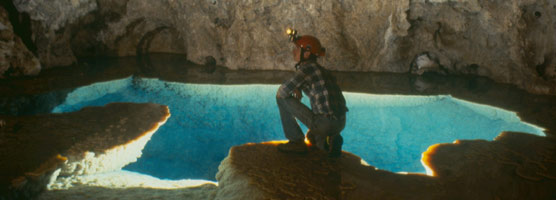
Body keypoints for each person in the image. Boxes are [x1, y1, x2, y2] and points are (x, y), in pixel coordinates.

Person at [276, 30, 348, 158]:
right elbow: (318, 90)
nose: (294, 52)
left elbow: (282, 92)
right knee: (312, 137)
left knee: (281, 99)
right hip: (340, 123)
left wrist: (293, 88)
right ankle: (331, 140)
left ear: (307, 53)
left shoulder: (306, 69)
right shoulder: (323, 71)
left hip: (324, 123)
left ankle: (296, 141)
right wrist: (298, 87)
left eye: (297, 49)